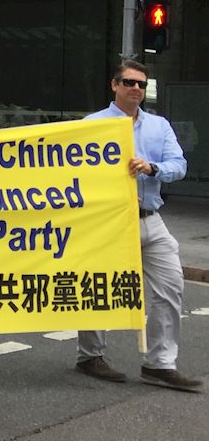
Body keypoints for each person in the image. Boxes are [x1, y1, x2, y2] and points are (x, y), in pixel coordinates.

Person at [76, 60, 200, 391]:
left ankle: (160, 364)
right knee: (99, 286)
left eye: (141, 84)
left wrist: (152, 167)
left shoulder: (159, 126)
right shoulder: (92, 124)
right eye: (129, 82)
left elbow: (179, 165)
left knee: (171, 286)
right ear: (114, 85)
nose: (136, 89)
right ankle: (90, 356)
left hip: (149, 219)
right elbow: (75, 172)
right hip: (107, 221)